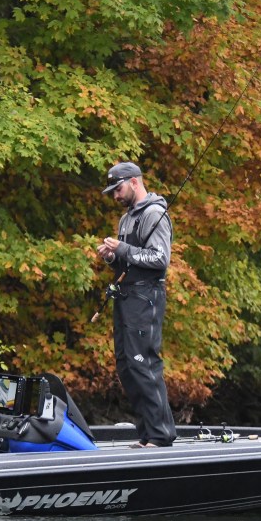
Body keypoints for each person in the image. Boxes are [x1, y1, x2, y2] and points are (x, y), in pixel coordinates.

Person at [97, 161, 177, 448]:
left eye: (118, 189)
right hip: (126, 296)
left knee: (144, 362)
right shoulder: (126, 219)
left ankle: (161, 435)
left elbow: (160, 259)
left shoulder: (155, 213)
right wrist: (111, 257)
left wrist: (123, 248)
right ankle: (147, 434)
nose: (115, 196)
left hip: (147, 296)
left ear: (134, 182)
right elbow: (127, 262)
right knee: (127, 365)